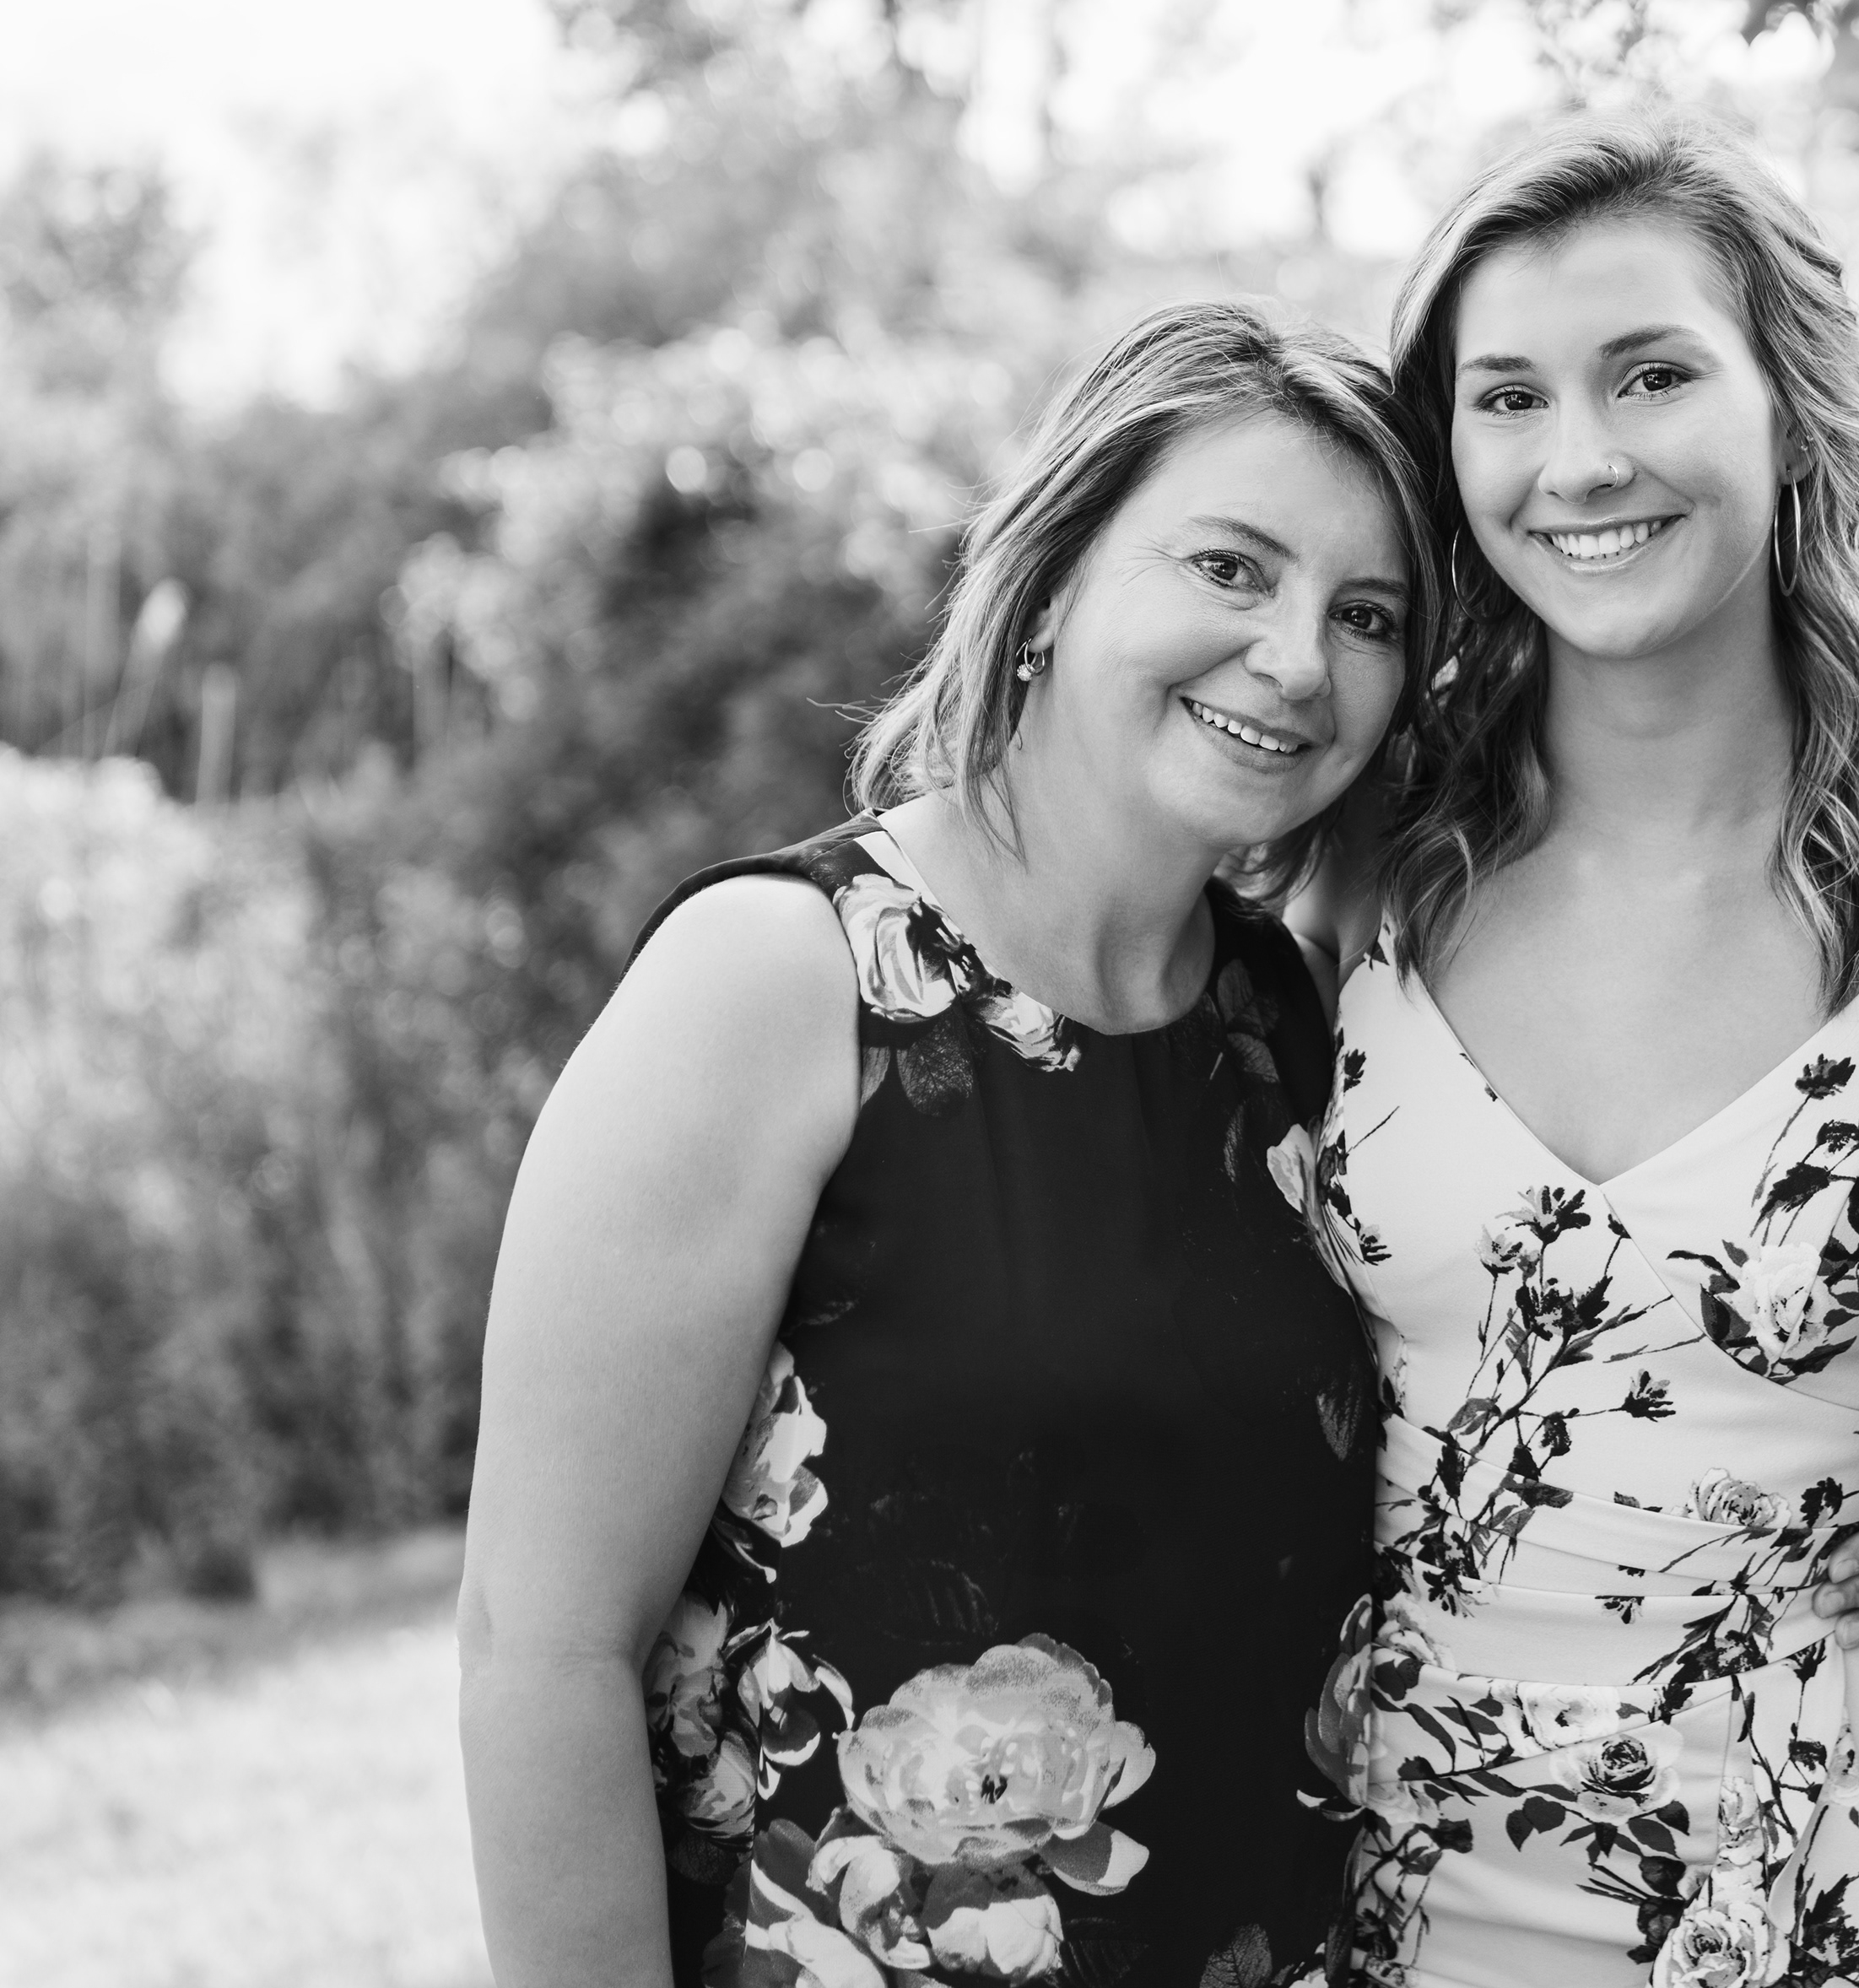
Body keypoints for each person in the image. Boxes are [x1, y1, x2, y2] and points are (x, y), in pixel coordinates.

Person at [457, 300, 1437, 1988]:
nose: (1297, 658)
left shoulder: (1296, 1022)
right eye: (1230, 567)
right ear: (1049, 585)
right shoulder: (780, 981)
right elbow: (540, 1652)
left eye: (1366, 616)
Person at [1295, 114, 1859, 1988]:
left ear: (1790, 408)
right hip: (1390, 1884)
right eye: (1508, 398)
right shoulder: (1357, 859)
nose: (1579, 458)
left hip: (1807, 1885)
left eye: (1653, 374)